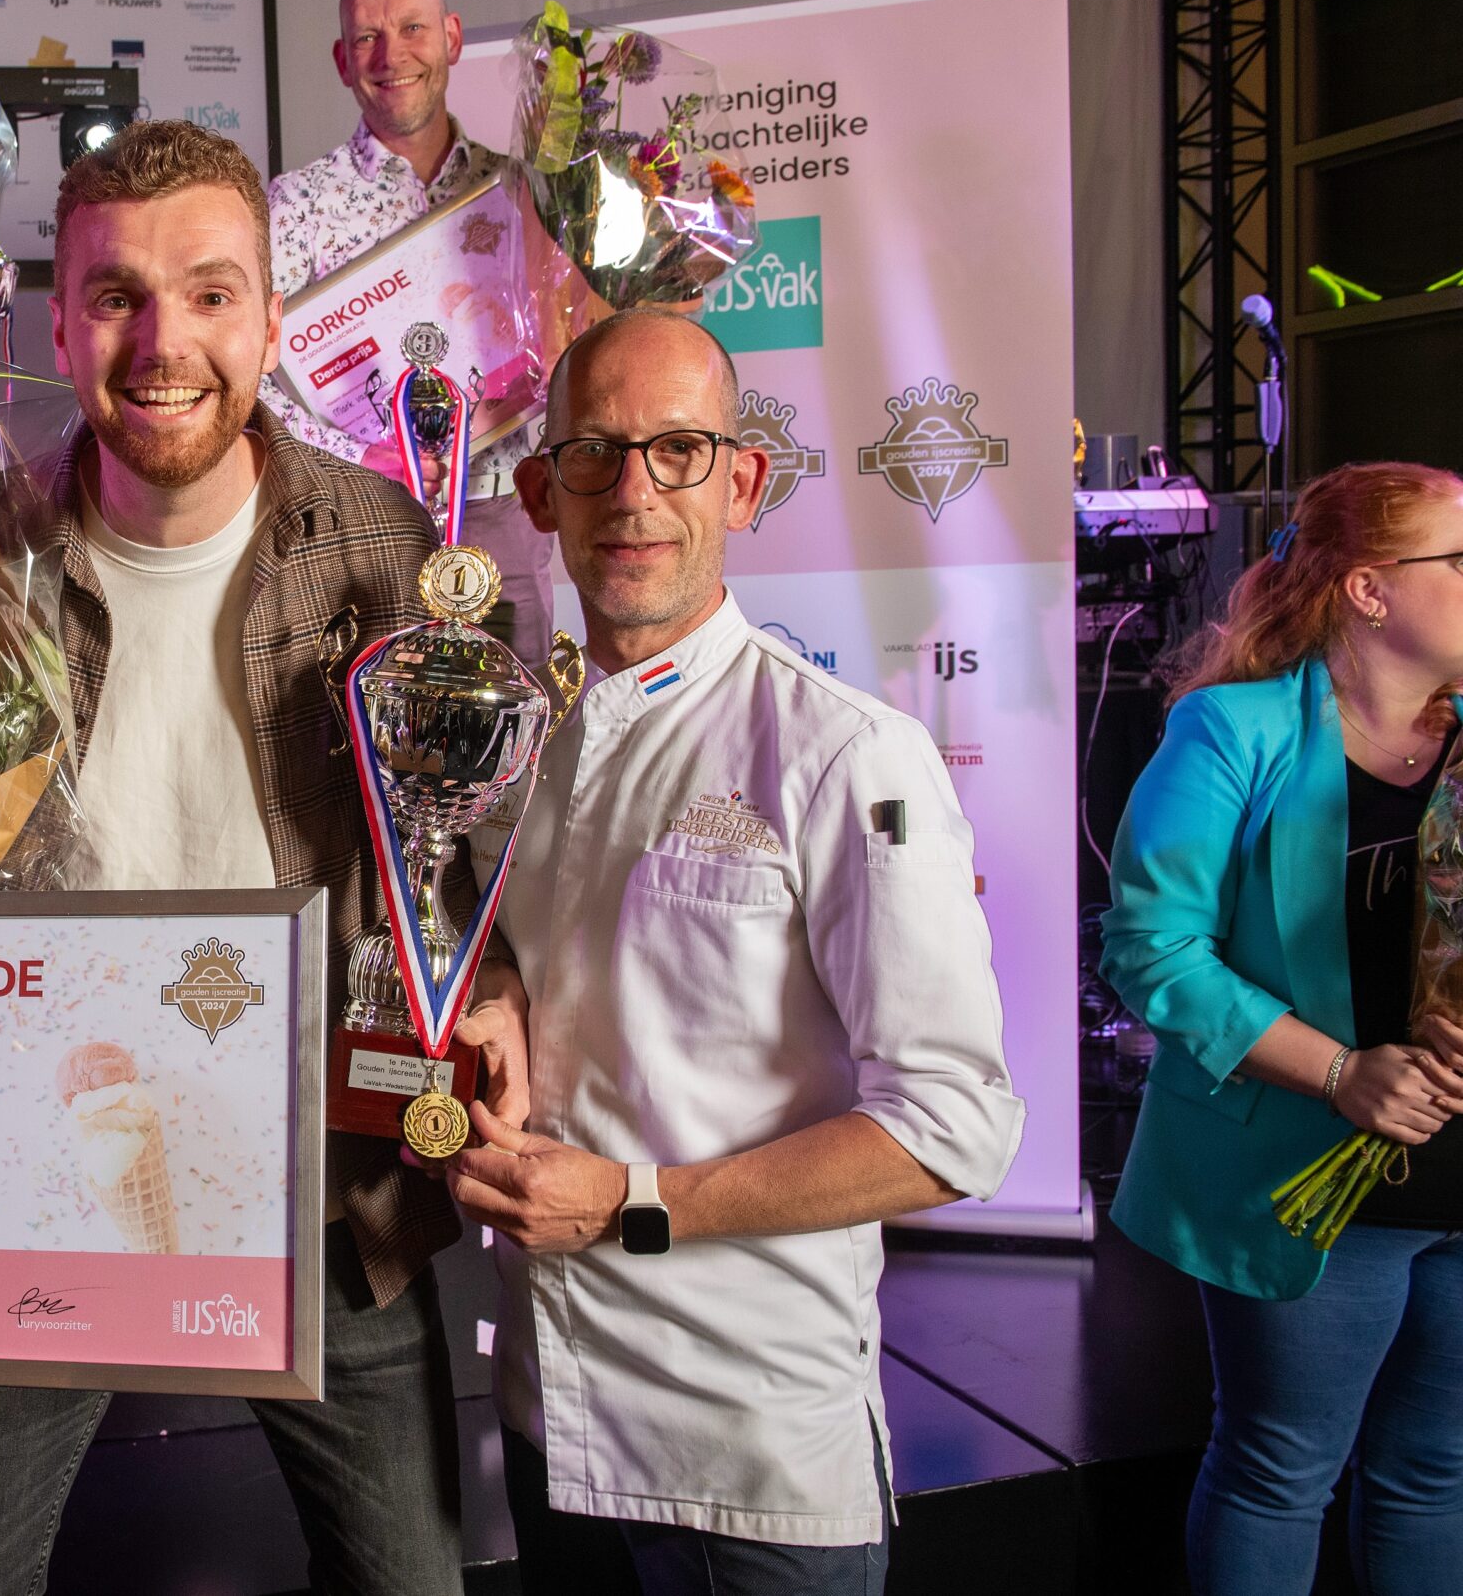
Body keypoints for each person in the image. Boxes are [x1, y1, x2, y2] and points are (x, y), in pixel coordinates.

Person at [0, 119, 525, 1596]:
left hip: (321, 1164)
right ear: (61, 320)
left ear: (271, 318)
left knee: (412, 1577)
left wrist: (488, 987)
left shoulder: (389, 549)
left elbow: (462, 848)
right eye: (118, 297)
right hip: (35, 1164)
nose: (164, 340)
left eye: (211, 292)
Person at [448, 311, 1024, 1594]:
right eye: (592, 454)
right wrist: (494, 994)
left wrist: (633, 1202)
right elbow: (547, 956)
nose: (633, 493)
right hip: (551, 1414)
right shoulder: (516, 748)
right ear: (539, 492)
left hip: (751, 1458)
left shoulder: (840, 753)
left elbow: (953, 1128)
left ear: (744, 481)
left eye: (678, 450)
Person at [1102, 461, 1463, 1596]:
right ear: (1367, 590)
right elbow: (1151, 951)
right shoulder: (1230, 729)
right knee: (1280, 1468)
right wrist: (1342, 1071)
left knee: (1436, 1471)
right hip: (1302, 1164)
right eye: (1458, 558)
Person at [259, 0, 557, 671]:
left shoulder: (525, 195)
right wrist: (362, 455)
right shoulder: (294, 207)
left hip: (504, 518)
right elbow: (249, 372)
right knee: (366, 743)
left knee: (521, 739)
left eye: (413, 28)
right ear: (341, 60)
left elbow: (572, 336)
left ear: (451, 38)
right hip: (358, 522)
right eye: (366, 38)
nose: (391, 56)